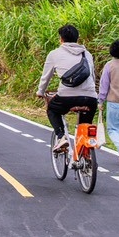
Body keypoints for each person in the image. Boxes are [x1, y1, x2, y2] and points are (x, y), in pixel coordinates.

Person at [36, 23, 98, 152]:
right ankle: (85, 156)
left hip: (66, 96)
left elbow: (45, 77)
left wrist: (40, 91)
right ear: (77, 38)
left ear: (61, 39)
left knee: (53, 109)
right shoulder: (87, 54)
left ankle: (61, 137)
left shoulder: (54, 54)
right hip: (90, 97)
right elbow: (92, 76)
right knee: (85, 125)